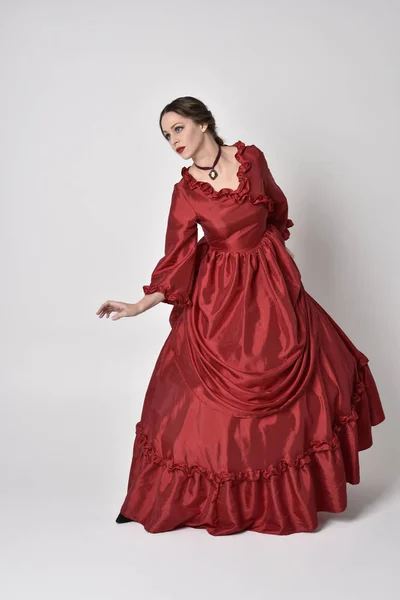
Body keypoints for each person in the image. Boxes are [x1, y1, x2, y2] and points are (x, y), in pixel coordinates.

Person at [96, 96, 385, 536]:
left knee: (318, 373)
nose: (172, 140)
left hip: (270, 285)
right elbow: (175, 259)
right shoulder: (186, 192)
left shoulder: (252, 160)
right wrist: (138, 305)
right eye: (165, 134)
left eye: (177, 128)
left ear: (203, 123)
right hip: (218, 298)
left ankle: (290, 500)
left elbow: (276, 211)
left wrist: (278, 263)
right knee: (187, 402)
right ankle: (157, 499)